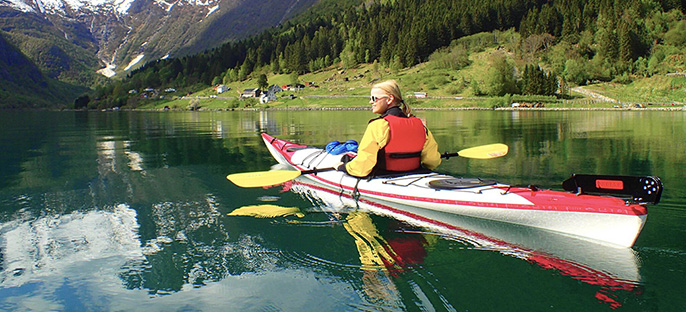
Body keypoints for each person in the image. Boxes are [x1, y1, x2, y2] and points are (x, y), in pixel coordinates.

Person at [337, 80, 441, 177]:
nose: (370, 102)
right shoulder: (421, 126)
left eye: (374, 98)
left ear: (389, 99)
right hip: (415, 173)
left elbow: (362, 168)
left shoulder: (378, 125)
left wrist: (343, 167)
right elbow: (433, 161)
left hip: (384, 175)